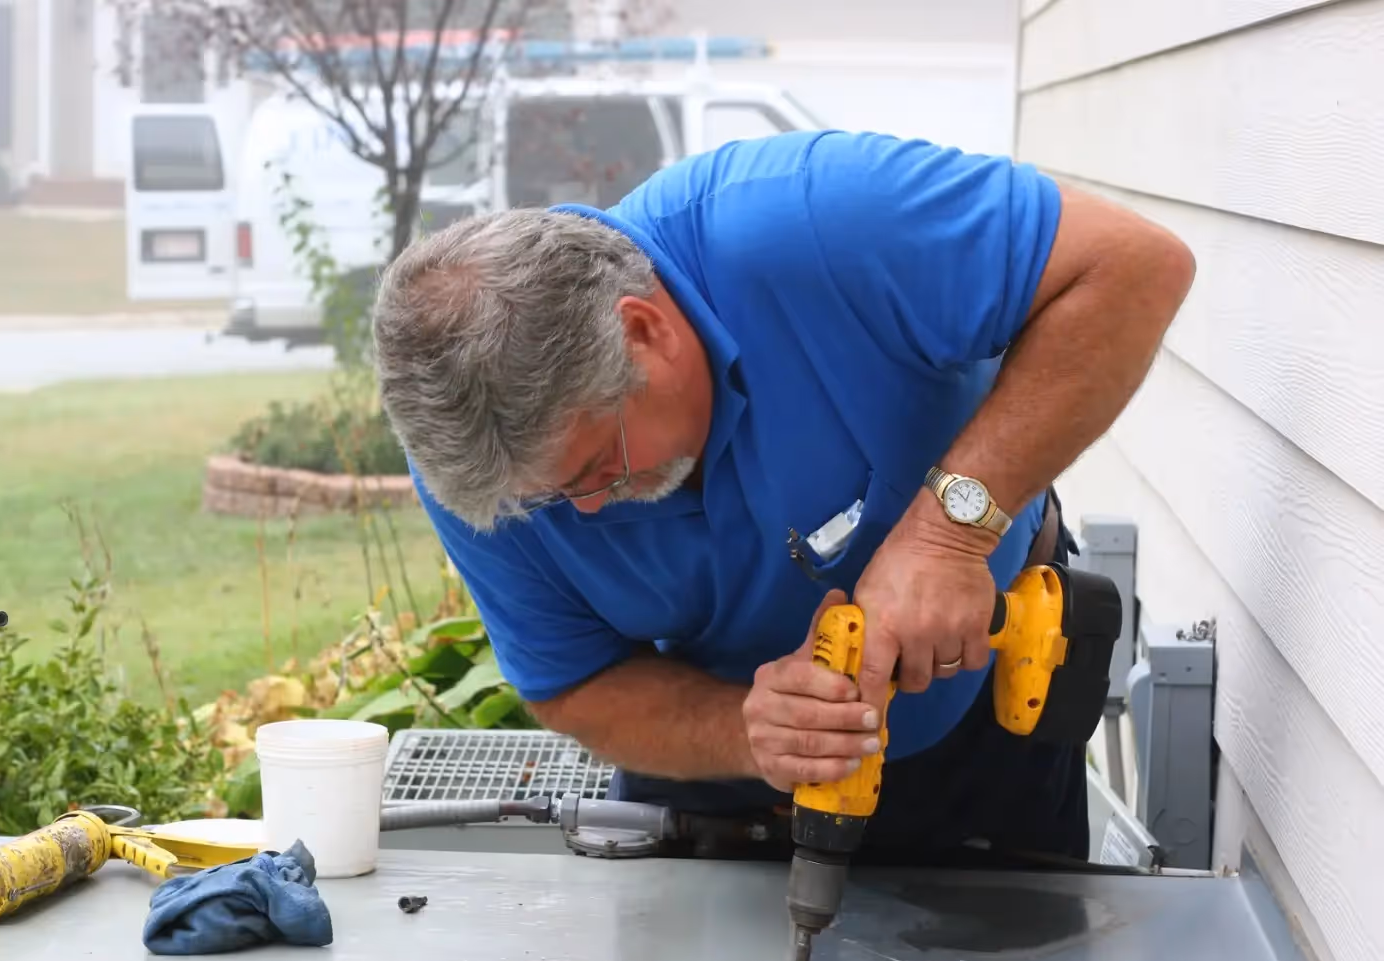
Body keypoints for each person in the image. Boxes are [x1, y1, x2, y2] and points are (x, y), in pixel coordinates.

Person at [371, 129, 1194, 863]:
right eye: (551, 499)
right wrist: (749, 731)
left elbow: (1132, 268)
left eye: (598, 464)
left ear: (643, 329)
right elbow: (573, 683)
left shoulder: (808, 225)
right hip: (729, 789)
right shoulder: (491, 477)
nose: (587, 511)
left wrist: (951, 532)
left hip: (986, 730)